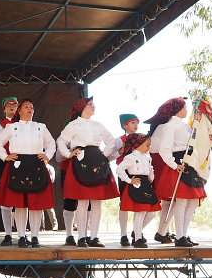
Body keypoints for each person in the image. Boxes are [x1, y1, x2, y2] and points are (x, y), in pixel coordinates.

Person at [0, 99, 56, 248]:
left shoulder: (40, 127)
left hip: (36, 164)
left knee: (36, 203)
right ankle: (21, 236)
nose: (30, 109)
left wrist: (47, 156)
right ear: (19, 111)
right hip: (17, 164)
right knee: (20, 204)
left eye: (32, 107)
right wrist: (5, 156)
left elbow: (51, 143)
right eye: (26, 107)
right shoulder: (11, 127)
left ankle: (35, 237)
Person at [56, 97, 119, 247]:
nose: (94, 107)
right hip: (80, 160)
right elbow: (61, 141)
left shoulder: (98, 125)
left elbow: (111, 141)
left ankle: (94, 237)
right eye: (91, 105)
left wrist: (104, 153)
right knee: (82, 200)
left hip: (97, 159)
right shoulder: (73, 124)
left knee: (97, 201)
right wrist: (68, 154)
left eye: (93, 105)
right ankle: (82, 237)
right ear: (82, 107)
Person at [146, 97, 206, 247]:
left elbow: (194, 140)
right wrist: (174, 165)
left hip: (190, 163)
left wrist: (197, 120)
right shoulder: (169, 126)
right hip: (179, 163)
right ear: (178, 109)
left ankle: (184, 234)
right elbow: (164, 149)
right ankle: (179, 237)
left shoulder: (186, 126)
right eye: (185, 107)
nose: (186, 110)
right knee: (182, 199)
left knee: (193, 201)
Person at [116, 133, 161, 248]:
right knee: (140, 212)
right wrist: (128, 180)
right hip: (137, 184)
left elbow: (151, 170)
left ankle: (137, 231)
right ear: (138, 145)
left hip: (146, 184)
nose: (149, 147)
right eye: (147, 145)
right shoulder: (131, 157)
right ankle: (138, 239)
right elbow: (119, 169)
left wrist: (151, 177)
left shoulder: (147, 157)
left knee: (152, 213)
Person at [0, 97, 19, 245]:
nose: (12, 107)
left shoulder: (26, 125)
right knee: (6, 199)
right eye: (9, 105)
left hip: (24, 163)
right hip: (5, 163)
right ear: (4, 108)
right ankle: (8, 234)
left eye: (15, 105)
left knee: (21, 198)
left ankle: (22, 235)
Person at [110, 113, 139, 246]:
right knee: (124, 204)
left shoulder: (141, 139)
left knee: (139, 203)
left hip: (139, 173)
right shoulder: (118, 140)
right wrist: (119, 152)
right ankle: (123, 235)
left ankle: (137, 232)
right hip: (124, 173)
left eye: (137, 122)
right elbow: (109, 157)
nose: (136, 125)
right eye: (133, 122)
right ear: (125, 125)